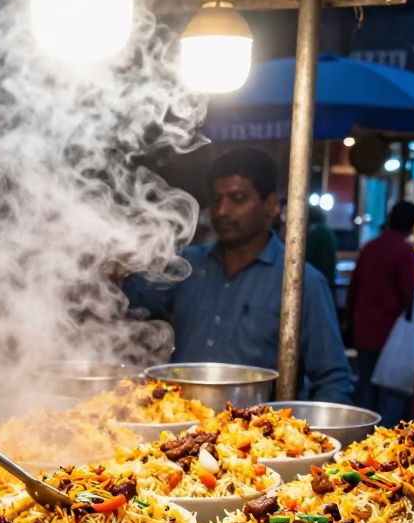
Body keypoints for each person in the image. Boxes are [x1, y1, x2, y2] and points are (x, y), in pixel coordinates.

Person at [122, 147, 352, 402]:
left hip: (253, 435)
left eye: (238, 198)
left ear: (270, 205)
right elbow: (131, 302)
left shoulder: (301, 282)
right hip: (177, 426)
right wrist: (118, 267)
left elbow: (332, 379)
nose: (222, 211)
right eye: (216, 199)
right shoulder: (188, 265)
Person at [346, 200, 414, 427]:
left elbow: (354, 288)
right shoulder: (405, 251)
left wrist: (348, 320)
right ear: (412, 225)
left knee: (366, 387)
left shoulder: (370, 247)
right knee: (391, 393)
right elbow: (410, 292)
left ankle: (361, 436)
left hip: (365, 327)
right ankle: (384, 444)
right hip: (391, 334)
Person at [305, 205, 337, 292]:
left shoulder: (314, 233)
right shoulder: (328, 232)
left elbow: (308, 257)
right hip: (328, 280)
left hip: (316, 284)